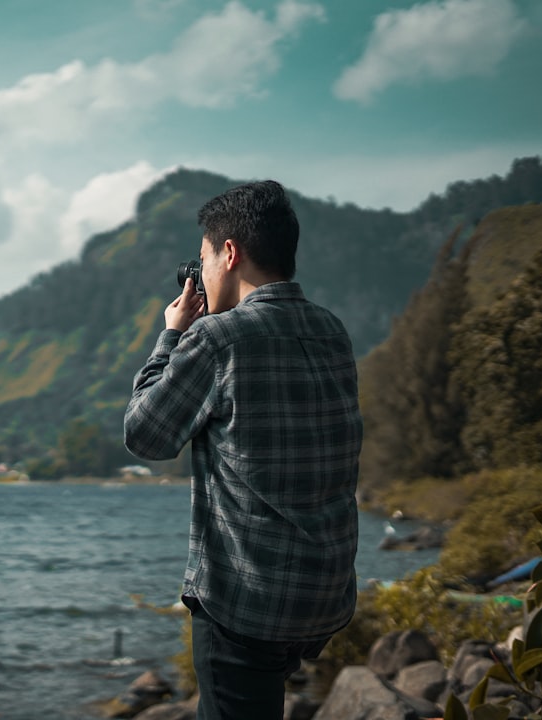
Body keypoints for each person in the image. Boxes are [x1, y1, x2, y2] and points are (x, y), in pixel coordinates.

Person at [123, 180, 362, 719]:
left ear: (230, 253)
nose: (202, 273)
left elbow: (145, 435)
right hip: (322, 592)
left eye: (204, 257)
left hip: (250, 601)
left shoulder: (218, 340)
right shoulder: (332, 331)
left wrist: (172, 335)